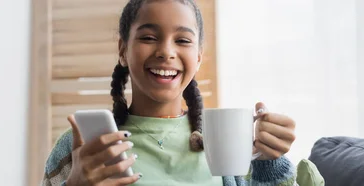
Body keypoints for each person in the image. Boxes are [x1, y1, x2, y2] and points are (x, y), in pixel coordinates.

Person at [42, 0, 304, 185]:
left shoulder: (228, 141)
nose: (166, 52)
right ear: (122, 50)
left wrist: (270, 162)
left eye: (183, 40)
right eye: (148, 37)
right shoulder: (84, 146)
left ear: (199, 57)